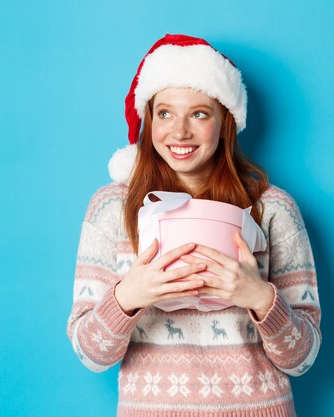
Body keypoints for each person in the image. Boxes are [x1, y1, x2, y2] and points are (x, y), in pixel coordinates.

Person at [66, 34, 321, 417]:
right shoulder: (111, 209)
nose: (179, 131)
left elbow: (302, 359)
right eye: (165, 113)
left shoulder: (272, 210)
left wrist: (259, 297)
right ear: (149, 119)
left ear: (225, 122)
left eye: (199, 114)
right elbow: (91, 355)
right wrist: (127, 297)